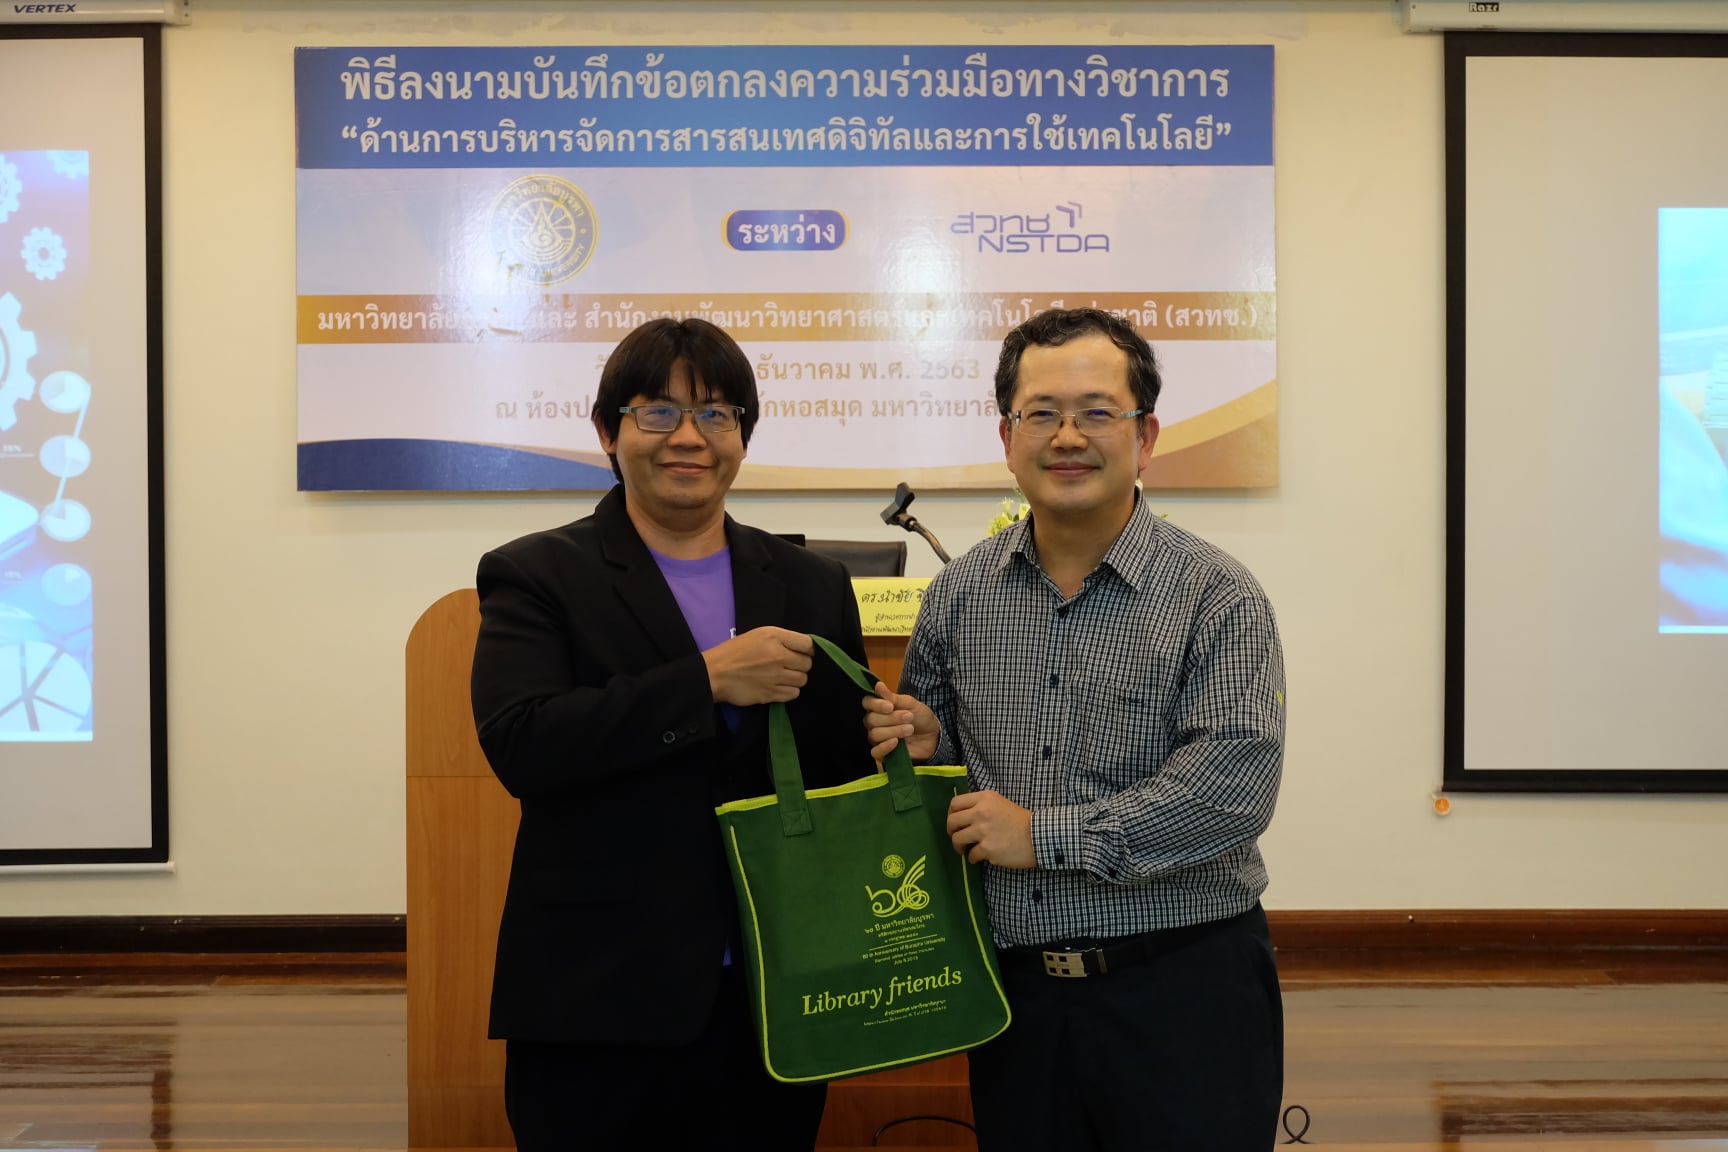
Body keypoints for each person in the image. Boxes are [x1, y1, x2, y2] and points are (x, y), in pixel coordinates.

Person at [863, 307, 1287, 1151]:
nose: (1067, 437)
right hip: (1018, 998)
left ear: (1145, 436)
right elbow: (953, 793)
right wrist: (930, 750)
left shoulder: (1218, 595)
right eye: (1042, 413)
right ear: (1006, 435)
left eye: (1097, 412)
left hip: (1183, 987)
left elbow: (1232, 791)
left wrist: (1043, 836)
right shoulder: (958, 597)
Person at [470, 317, 877, 1151]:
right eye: (657, 411)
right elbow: (524, 744)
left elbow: (836, 775)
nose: (689, 437)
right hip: (599, 994)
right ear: (607, 431)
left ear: (743, 438)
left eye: (716, 413)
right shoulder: (536, 573)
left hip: (773, 988)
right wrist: (706, 680)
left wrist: (897, 736)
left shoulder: (812, 583)